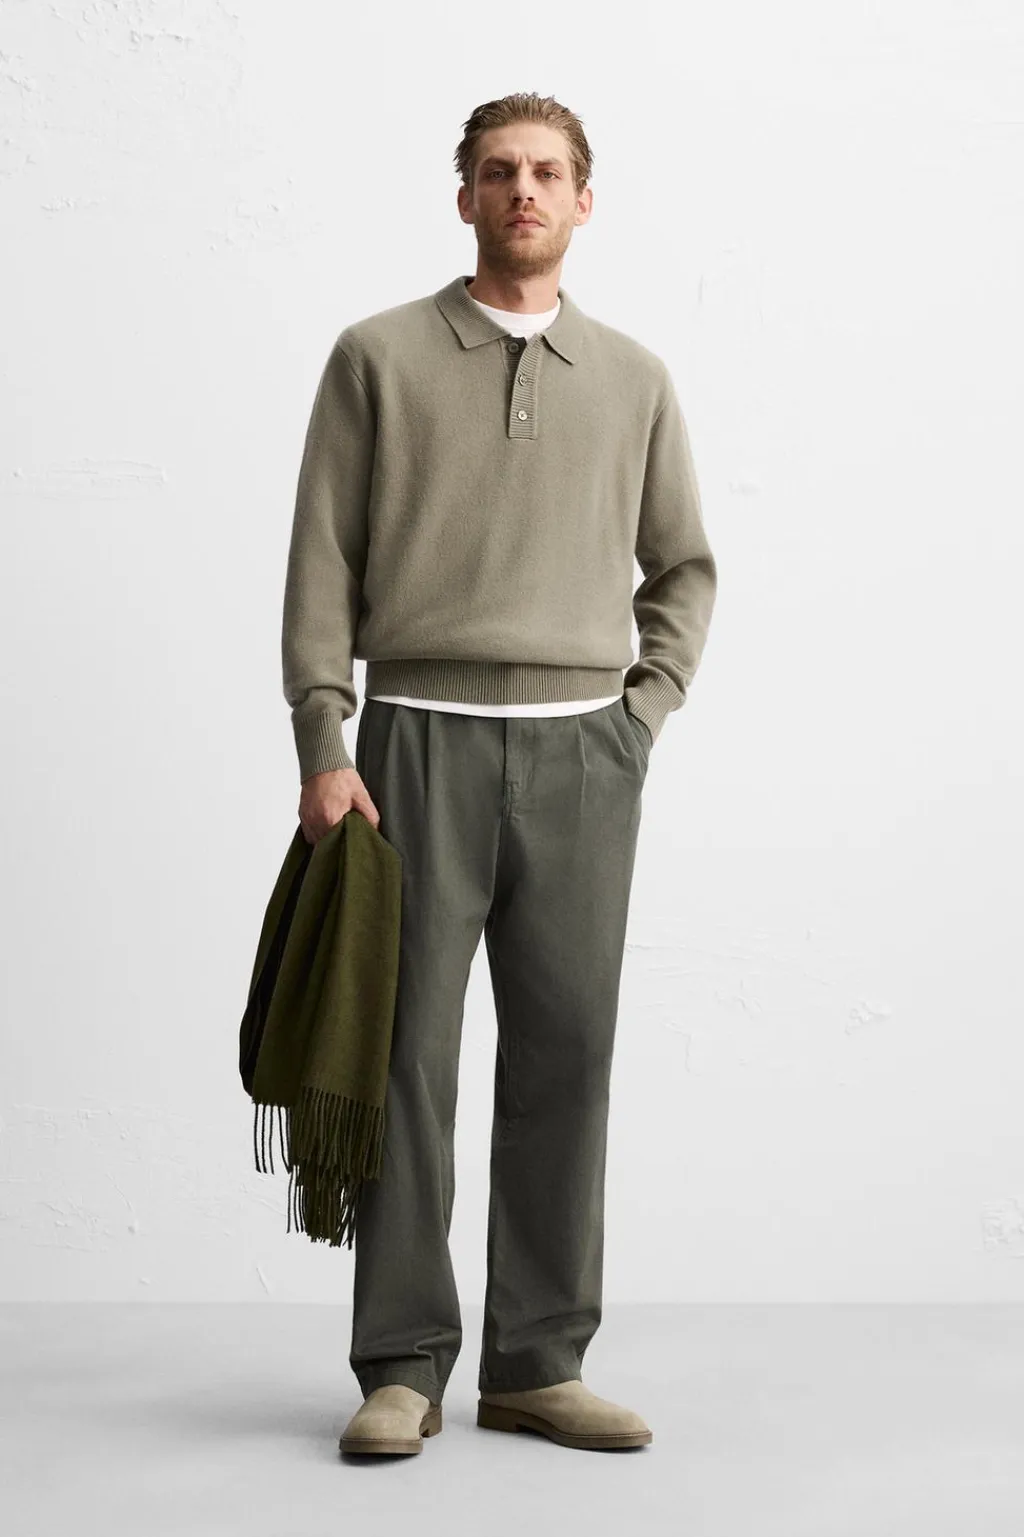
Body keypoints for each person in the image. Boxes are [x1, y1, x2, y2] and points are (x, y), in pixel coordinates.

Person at [281, 91, 718, 1456]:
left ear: (585, 200)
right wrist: (325, 741)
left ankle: (538, 1360)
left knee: (568, 1058)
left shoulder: (635, 378)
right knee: (403, 1061)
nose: (522, 191)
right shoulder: (377, 357)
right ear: (464, 195)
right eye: (497, 171)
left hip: (585, 752)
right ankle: (402, 1366)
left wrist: (641, 716)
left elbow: (684, 568)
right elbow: (321, 563)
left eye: (545, 172)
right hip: (415, 744)